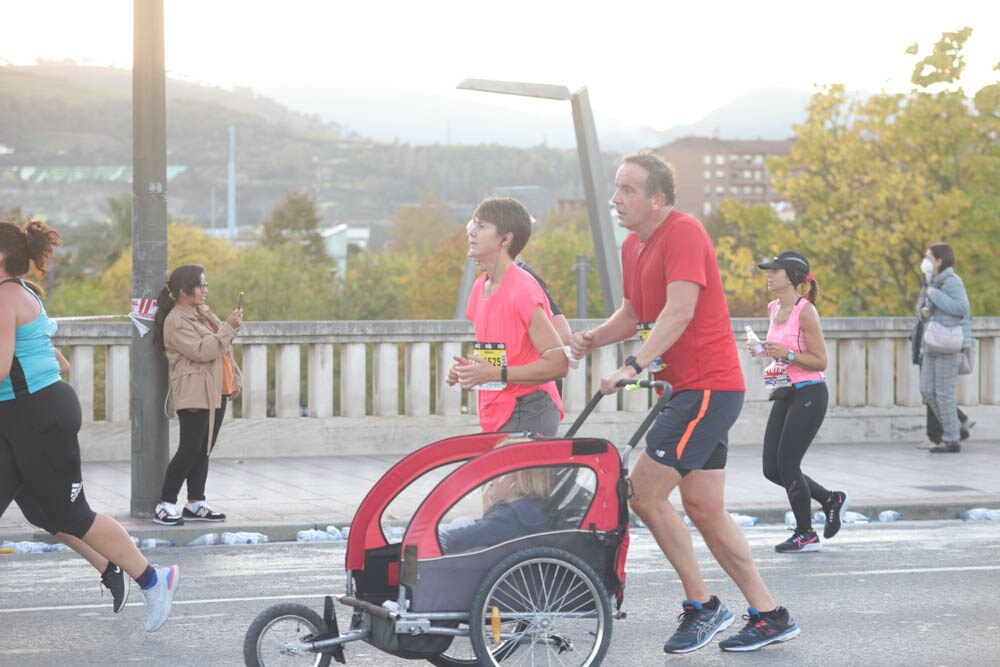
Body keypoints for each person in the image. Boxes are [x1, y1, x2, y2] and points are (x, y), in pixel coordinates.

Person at [569, 152, 798, 653]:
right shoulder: (634, 245)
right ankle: (770, 615)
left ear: (657, 199)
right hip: (689, 391)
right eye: (616, 188)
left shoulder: (685, 233)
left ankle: (703, 606)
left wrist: (634, 367)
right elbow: (635, 311)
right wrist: (594, 337)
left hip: (706, 388)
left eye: (627, 189)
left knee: (645, 493)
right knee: (703, 508)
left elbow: (678, 311)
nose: (615, 198)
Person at [0, 216, 178, 632]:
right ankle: (110, 568)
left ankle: (154, 580)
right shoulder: (19, 293)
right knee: (45, 511)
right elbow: (54, 359)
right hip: (21, 416)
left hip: (38, 416)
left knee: (71, 513)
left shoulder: (6, 296)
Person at [754, 251, 851, 553]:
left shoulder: (805, 311)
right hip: (786, 391)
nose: (769, 274)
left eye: (775, 270)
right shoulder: (773, 307)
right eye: (769, 270)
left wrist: (788, 355)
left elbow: (821, 360)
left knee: (788, 463)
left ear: (792, 277)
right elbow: (780, 349)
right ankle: (830, 499)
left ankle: (805, 533)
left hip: (810, 392)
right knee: (772, 468)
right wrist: (764, 350)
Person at [448, 197, 568, 436]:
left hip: (530, 407)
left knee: (508, 476)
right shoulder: (479, 287)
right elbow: (508, 354)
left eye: (481, 226)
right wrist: (473, 370)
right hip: (497, 410)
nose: (471, 233)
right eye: (473, 225)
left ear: (505, 239)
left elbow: (558, 363)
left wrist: (496, 373)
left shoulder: (523, 288)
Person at [152, 264, 242, 525]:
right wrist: (229, 326)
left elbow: (222, 344)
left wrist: (234, 375)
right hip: (195, 390)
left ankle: (196, 502)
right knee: (189, 448)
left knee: (203, 449)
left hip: (216, 388)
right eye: (201, 286)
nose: (205, 290)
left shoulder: (200, 312)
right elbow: (203, 350)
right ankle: (166, 503)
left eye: (205, 285)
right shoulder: (176, 321)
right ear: (183, 291)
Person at [914, 256, 973, 447]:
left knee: (943, 393)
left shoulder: (951, 281)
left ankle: (951, 438)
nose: (925, 261)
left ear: (939, 260)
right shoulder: (931, 282)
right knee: (927, 389)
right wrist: (925, 311)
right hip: (931, 342)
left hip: (948, 344)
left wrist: (934, 295)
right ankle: (955, 428)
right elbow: (927, 308)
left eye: (929, 257)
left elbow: (962, 308)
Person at [439, 467, 552, 554]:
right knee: (463, 521)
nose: (490, 476)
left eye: (498, 470)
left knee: (440, 536)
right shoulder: (527, 507)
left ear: (517, 480)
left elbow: (458, 540)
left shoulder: (512, 517)